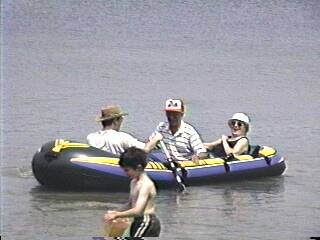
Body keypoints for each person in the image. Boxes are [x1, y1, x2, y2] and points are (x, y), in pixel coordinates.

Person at [104, 147, 161, 237]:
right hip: (137, 221)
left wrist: (118, 215)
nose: (125, 173)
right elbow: (131, 204)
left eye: (127, 170)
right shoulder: (133, 182)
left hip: (147, 222)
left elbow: (138, 211)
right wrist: (115, 212)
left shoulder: (146, 185)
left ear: (138, 167)